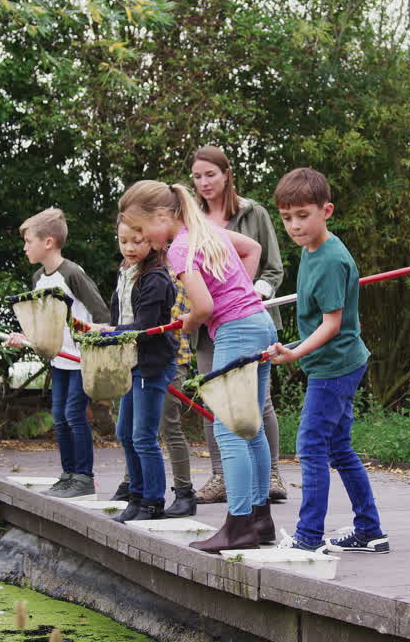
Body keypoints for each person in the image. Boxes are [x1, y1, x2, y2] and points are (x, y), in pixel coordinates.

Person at [119, 180, 278, 553]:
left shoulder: (179, 249)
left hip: (236, 331)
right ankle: (259, 520)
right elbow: (250, 250)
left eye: (142, 230)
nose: (143, 239)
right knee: (250, 429)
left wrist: (190, 321)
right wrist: (245, 291)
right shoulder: (207, 232)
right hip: (259, 322)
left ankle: (238, 526)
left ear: (162, 216)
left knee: (227, 431)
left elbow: (204, 306)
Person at [268, 168, 389, 555]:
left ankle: (308, 537)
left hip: (335, 366)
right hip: (332, 363)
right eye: (287, 218)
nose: (295, 225)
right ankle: (370, 530)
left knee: (311, 446)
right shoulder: (311, 250)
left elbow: (333, 324)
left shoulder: (332, 259)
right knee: (339, 448)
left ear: (327, 211)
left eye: (303, 215)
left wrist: (294, 351)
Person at [188, 145, 290, 505]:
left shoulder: (252, 213)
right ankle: (220, 476)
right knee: (214, 399)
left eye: (210, 174)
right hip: (207, 325)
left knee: (257, 401)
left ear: (227, 173)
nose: (204, 183)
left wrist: (254, 291)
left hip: (247, 319)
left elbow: (273, 266)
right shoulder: (193, 220)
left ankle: (272, 472)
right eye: (197, 177)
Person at [6, 207, 109, 499]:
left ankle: (84, 478)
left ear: (48, 242)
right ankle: (68, 475)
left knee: (74, 414)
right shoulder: (39, 278)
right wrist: (25, 337)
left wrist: (93, 341)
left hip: (81, 357)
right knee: (59, 416)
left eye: (29, 241)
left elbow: (100, 312)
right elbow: (42, 323)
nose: (25, 247)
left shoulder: (72, 274)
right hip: (60, 359)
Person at [97, 218, 179, 522]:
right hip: (130, 363)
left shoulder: (155, 278)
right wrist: (107, 331)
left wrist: (108, 331)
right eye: (123, 240)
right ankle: (136, 494)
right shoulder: (126, 272)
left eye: (137, 241)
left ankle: (152, 501)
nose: (129, 247)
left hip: (152, 363)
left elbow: (145, 327)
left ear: (153, 242)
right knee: (125, 432)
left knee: (143, 435)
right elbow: (119, 315)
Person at [111, 268, 200, 517]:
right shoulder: (130, 273)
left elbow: (162, 321)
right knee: (131, 431)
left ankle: (182, 493)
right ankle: (135, 493)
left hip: (168, 357)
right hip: (134, 358)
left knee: (164, 427)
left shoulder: (170, 274)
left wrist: (115, 331)